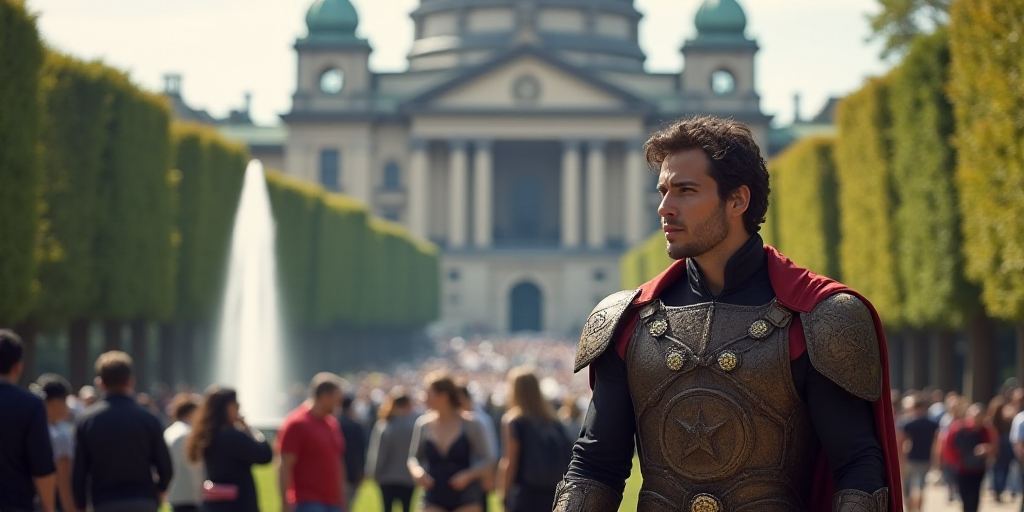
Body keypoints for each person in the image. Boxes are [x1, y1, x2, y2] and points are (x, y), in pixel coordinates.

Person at [554, 116, 902, 512]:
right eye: (664, 191)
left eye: (685, 191)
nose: (665, 207)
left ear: (738, 200)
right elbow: (595, 467)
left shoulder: (818, 317)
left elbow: (857, 468)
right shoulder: (628, 321)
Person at [73, 351, 173, 512]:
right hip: (143, 500)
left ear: (100, 383)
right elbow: (165, 467)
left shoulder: (86, 420)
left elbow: (79, 471)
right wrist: (159, 492)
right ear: (130, 382)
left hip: (104, 502)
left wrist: (80, 505)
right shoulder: (148, 418)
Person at [408, 372, 495, 512]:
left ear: (444, 396)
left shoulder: (471, 424)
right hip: (433, 492)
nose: (424, 399)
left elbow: (488, 459)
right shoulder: (423, 424)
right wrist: (417, 472)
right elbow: (413, 458)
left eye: (429, 394)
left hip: (466, 494)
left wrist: (468, 475)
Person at [186, 387, 272, 512]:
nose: (238, 409)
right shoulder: (231, 436)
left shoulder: (206, 434)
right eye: (236, 405)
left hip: (214, 504)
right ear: (226, 407)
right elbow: (264, 455)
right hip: (238, 504)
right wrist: (250, 430)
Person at [498, 367, 572, 512]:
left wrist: (504, 496)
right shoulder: (553, 420)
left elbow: (509, 462)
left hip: (525, 493)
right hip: (553, 492)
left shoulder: (514, 420)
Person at [0, 330, 56, 512]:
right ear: (18, 366)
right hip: (14, 503)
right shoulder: (30, 404)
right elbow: (42, 467)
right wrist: (49, 508)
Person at [277, 373, 347, 512]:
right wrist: (285, 501)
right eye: (336, 400)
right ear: (324, 397)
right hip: (307, 501)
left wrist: (342, 500)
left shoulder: (332, 424)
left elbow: (337, 462)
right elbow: (285, 465)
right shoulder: (297, 423)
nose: (338, 406)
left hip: (333, 502)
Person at [366, 389, 418, 512]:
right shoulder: (414, 426)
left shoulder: (384, 425)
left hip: (387, 478)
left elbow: (379, 453)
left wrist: (373, 473)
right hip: (408, 478)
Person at [942, 403, 995, 512]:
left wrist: (986, 450)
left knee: (975, 495)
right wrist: (954, 462)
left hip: (978, 469)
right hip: (962, 469)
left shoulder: (986, 430)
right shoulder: (959, 428)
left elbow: (994, 446)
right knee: (965, 496)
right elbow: (948, 445)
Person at [36, 374, 76, 512]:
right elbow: (63, 482)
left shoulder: (30, 430)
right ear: (55, 402)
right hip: (54, 504)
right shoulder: (61, 436)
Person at [897, 395, 939, 512]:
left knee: (907, 487)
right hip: (925, 459)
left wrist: (900, 460)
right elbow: (936, 442)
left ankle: (910, 509)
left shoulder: (908, 423)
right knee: (921, 487)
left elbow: (901, 443)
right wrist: (935, 458)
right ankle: (919, 509)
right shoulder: (932, 423)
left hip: (910, 459)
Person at [165, 393, 204, 512]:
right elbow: (195, 469)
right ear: (191, 413)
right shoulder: (187, 435)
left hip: (175, 494)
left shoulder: (169, 432)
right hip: (189, 496)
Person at [338, 394, 366, 511]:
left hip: (335, 470)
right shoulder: (356, 426)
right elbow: (362, 451)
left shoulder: (333, 423)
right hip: (352, 472)